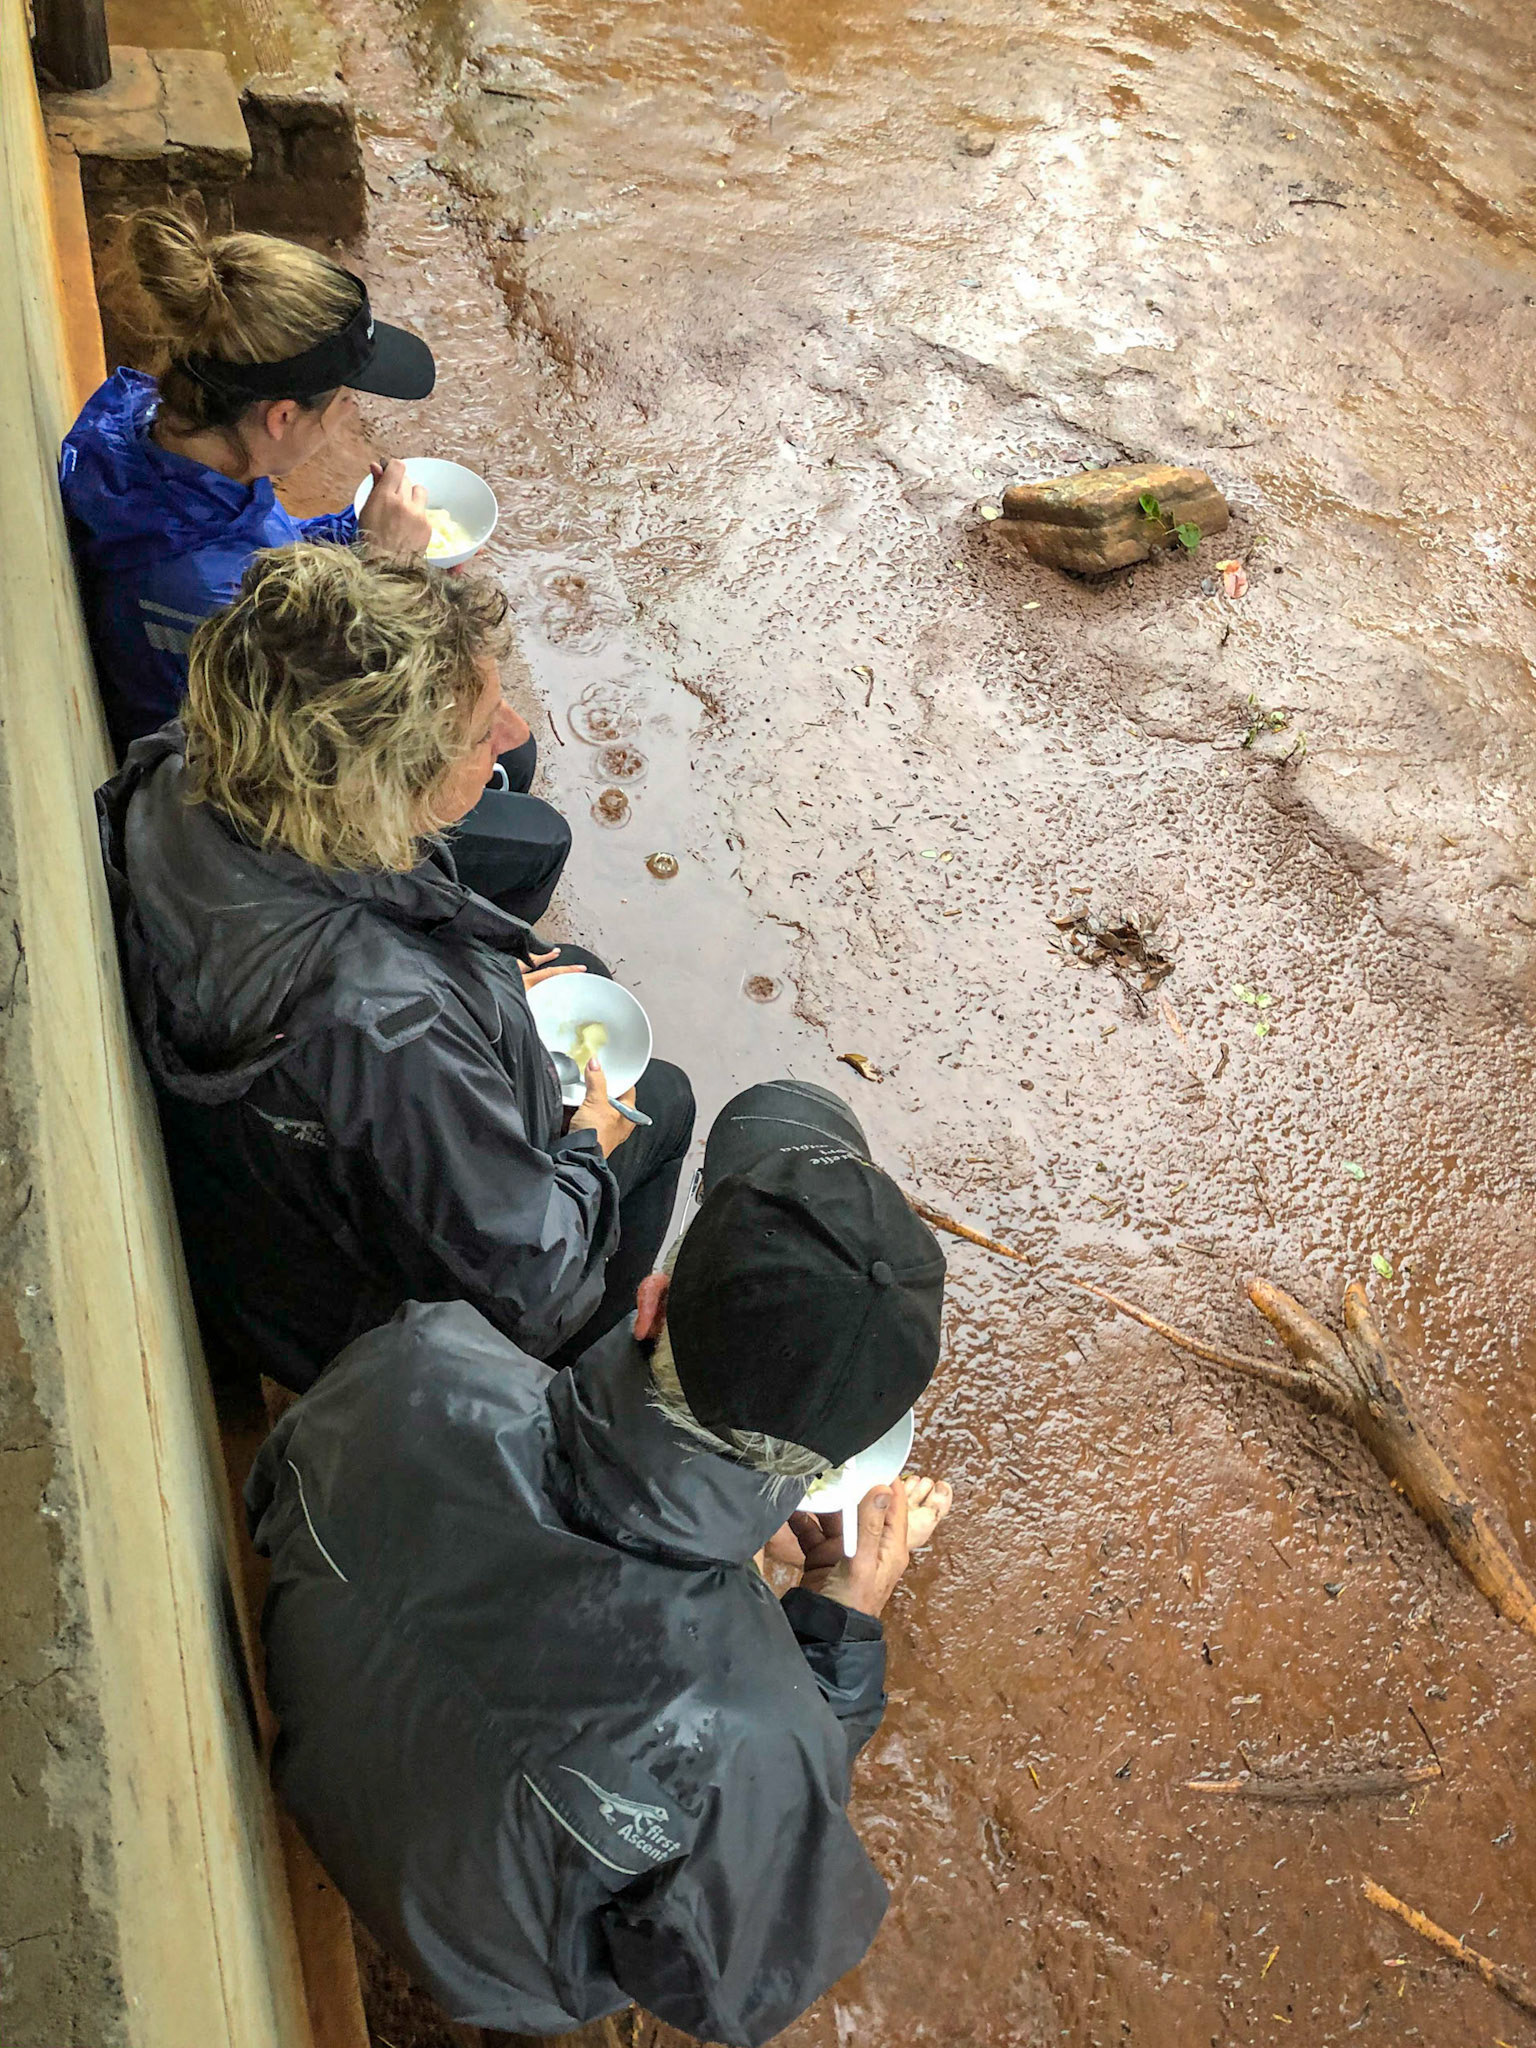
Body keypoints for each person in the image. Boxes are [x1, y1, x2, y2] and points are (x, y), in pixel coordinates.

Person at [246, 1079, 953, 2048]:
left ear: (650, 1301)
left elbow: (268, 1503)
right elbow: (735, 1986)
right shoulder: (760, 1731)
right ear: (840, 1467)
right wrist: (840, 1623)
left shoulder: (422, 1355)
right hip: (483, 1967)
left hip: (309, 1715)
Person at [96, 542, 694, 1397]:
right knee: (658, 1101)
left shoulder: (189, 759)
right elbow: (535, 1280)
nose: (514, 736)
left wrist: (474, 995)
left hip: (272, 1165)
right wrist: (586, 1146)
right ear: (385, 788)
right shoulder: (392, 1022)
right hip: (349, 1331)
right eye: (481, 730)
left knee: (572, 971)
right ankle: (572, 1395)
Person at [61, 203, 568, 918]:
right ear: (280, 417)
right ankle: (457, 948)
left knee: (502, 757)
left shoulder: (155, 426)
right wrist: (386, 568)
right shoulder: (201, 589)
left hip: (251, 703)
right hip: (250, 808)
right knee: (537, 834)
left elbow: (266, 552)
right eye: (342, 405)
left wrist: (352, 535)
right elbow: (328, 718)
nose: (351, 421)